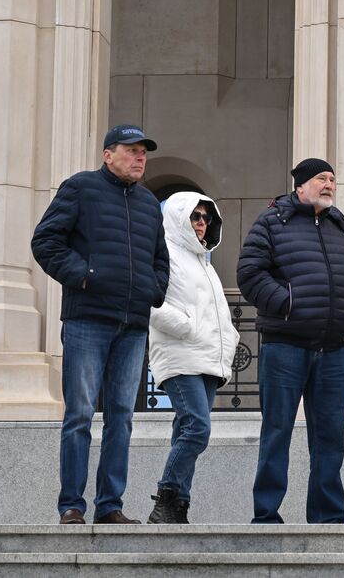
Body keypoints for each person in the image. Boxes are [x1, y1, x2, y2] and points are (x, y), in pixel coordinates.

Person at [31, 124, 170, 525]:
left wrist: (153, 290)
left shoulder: (148, 204)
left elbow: (160, 259)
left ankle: (110, 506)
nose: (140, 158)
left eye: (144, 152)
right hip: (87, 321)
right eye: (132, 150)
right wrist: (84, 275)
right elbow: (45, 242)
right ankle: (72, 505)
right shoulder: (80, 188)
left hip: (133, 324)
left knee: (122, 416)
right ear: (108, 154)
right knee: (79, 414)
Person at [236, 158, 344, 524]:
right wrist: (287, 304)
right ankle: (266, 515)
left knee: (330, 440)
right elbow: (249, 273)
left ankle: (328, 517)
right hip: (285, 347)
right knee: (276, 432)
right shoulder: (272, 221)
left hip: (333, 350)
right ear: (300, 185)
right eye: (321, 179)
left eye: (332, 179)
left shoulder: (339, 226)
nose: (329, 185)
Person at [146, 191, 239, 525]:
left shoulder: (204, 263)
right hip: (179, 355)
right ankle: (166, 495)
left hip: (207, 360)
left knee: (186, 429)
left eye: (206, 218)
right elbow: (148, 301)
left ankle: (178, 507)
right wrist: (184, 326)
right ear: (178, 218)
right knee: (198, 428)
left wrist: (229, 337)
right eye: (195, 217)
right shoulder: (163, 253)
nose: (202, 224)